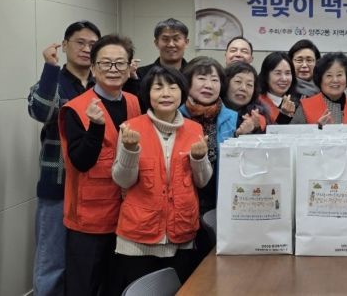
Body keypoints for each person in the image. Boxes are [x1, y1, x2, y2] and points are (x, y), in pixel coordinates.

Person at [111, 66, 211, 291]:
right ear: (147, 94)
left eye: (172, 88)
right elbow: (123, 181)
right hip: (138, 239)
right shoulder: (131, 128)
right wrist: (129, 150)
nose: (166, 93)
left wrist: (199, 158)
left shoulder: (195, 129)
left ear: (182, 93)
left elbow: (202, 181)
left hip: (181, 235)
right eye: (158, 88)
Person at [58, 34, 141, 295]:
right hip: (89, 219)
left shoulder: (133, 102)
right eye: (106, 63)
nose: (113, 69)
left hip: (125, 215)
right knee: (83, 288)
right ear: (93, 68)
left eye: (120, 63)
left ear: (129, 67)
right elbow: (80, 162)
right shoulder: (76, 108)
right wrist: (95, 127)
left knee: (116, 285)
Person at [28, 20, 100, 296]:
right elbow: (42, 112)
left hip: (94, 188)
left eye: (93, 45)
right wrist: (50, 67)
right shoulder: (53, 81)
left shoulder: (100, 84)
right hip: (58, 185)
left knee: (85, 261)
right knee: (51, 261)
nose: (86, 49)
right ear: (65, 44)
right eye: (80, 42)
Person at [179, 56, 237, 265]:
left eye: (214, 80)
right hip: (183, 202)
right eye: (202, 78)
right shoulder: (175, 116)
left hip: (218, 202)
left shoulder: (233, 117)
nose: (208, 85)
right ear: (187, 83)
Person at [291, 52, 347, 126]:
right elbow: (292, 136)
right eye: (329, 75)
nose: (335, 80)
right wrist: (316, 130)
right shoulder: (305, 106)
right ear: (320, 79)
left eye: (339, 75)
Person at [124, 18, 190, 108]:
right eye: (165, 39)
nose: (171, 44)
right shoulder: (140, 75)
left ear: (186, 42)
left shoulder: (194, 74)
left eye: (176, 39)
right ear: (156, 43)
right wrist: (131, 80)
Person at [223, 61, 269, 135]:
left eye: (249, 85)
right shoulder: (212, 112)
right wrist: (237, 135)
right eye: (238, 81)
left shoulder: (258, 115)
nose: (243, 88)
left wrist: (256, 129)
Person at [258, 52, 298, 124]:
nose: (284, 79)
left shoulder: (297, 103)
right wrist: (284, 116)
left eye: (288, 73)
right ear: (266, 76)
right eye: (278, 73)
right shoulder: (257, 103)